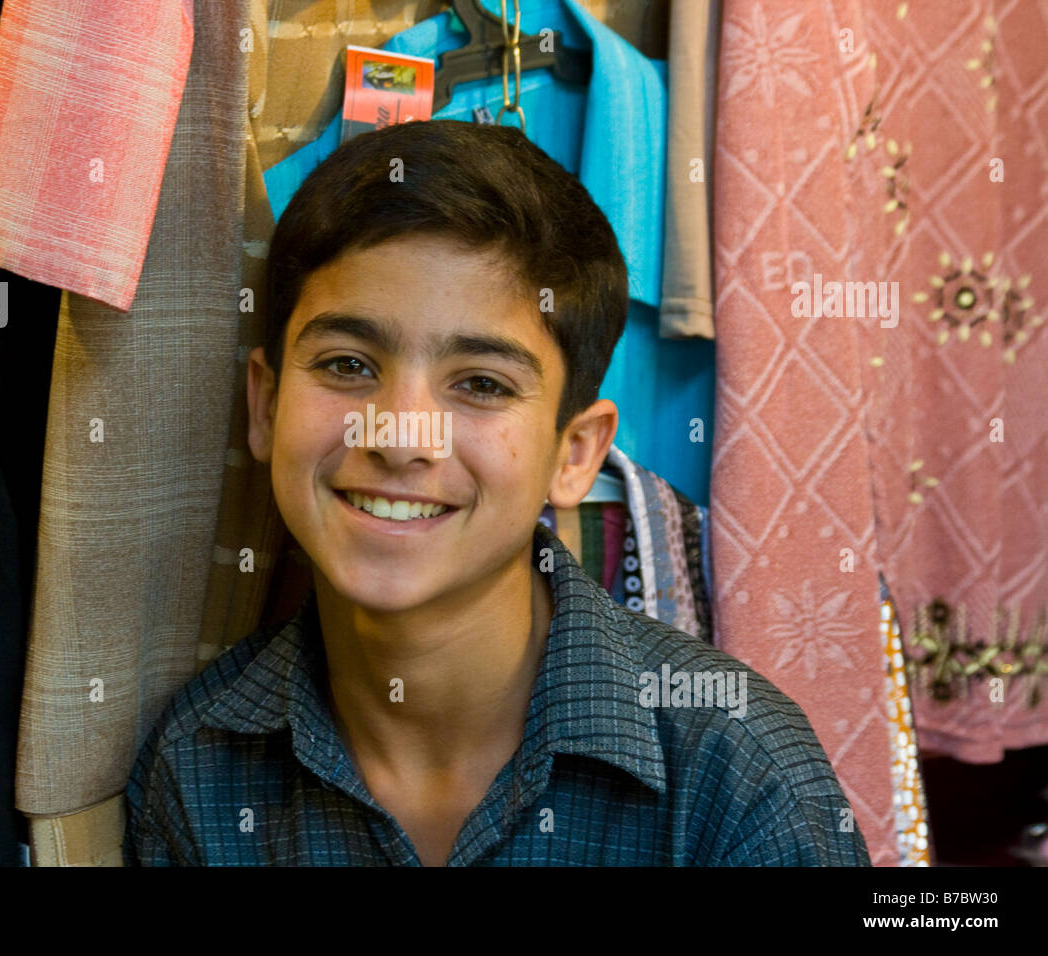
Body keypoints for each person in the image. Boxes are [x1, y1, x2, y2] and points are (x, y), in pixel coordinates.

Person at [125, 120, 871, 866]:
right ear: (264, 405)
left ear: (574, 453)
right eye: (349, 365)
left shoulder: (735, 773)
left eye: (481, 384)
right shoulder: (200, 768)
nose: (402, 436)